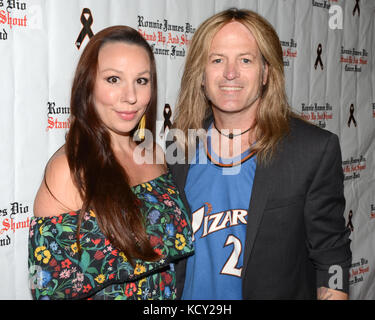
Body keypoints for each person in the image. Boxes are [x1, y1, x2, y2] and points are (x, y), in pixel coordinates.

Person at [167, 8, 351, 299]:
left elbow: (332, 260)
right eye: (217, 60)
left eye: (245, 60)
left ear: (266, 72)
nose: (230, 73)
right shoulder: (178, 145)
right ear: (200, 75)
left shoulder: (312, 150)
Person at [28, 25, 193, 300]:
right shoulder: (68, 171)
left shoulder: (153, 152)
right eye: (114, 79)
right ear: (88, 84)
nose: (130, 97)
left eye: (141, 81)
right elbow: (53, 291)